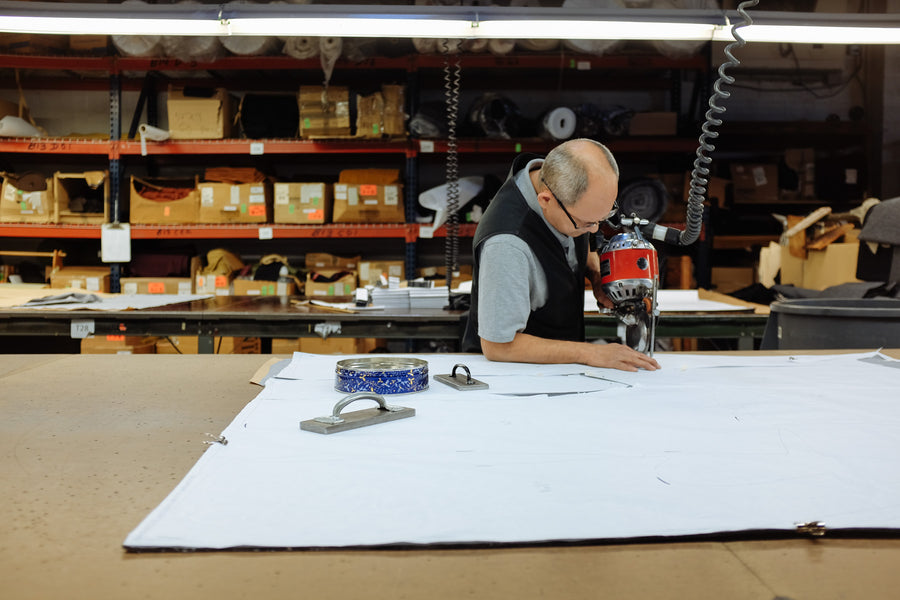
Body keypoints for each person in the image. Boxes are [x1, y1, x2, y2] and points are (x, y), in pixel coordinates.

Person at [461, 138, 660, 372]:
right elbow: (499, 346)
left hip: (562, 367)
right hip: (515, 377)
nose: (595, 229)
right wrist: (591, 352)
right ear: (546, 200)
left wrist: (597, 275)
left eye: (602, 217)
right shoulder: (507, 245)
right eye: (587, 223)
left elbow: (577, 240)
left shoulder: (561, 179)